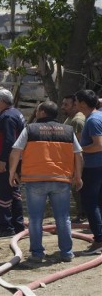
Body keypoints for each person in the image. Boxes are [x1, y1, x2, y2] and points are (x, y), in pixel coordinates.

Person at [8, 101, 83, 263]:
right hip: (61, 179)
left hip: (35, 180)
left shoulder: (30, 129)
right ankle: (67, 253)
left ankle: (37, 254)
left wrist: (12, 173)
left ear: (41, 112)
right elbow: (79, 155)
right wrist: (78, 176)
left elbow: (15, 152)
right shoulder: (68, 130)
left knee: (35, 219)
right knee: (63, 218)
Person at [0, 88, 26, 237]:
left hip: (7, 161)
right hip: (14, 160)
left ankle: (6, 227)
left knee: (2, 193)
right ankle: (18, 226)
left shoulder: (7, 117)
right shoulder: (15, 113)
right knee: (13, 192)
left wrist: (2, 159)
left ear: (1, 101)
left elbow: (10, 140)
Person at [74, 89, 102, 254]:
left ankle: (99, 240)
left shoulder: (92, 121)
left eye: (77, 101)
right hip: (98, 167)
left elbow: (98, 145)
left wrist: (78, 149)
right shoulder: (98, 116)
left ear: (83, 104)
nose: (75, 104)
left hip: (94, 168)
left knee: (90, 204)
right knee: (98, 202)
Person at [62, 94, 87, 222]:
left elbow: (79, 146)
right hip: (71, 160)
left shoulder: (77, 120)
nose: (63, 107)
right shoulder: (70, 118)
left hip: (78, 161)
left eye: (66, 105)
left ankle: (83, 214)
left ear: (75, 106)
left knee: (78, 187)